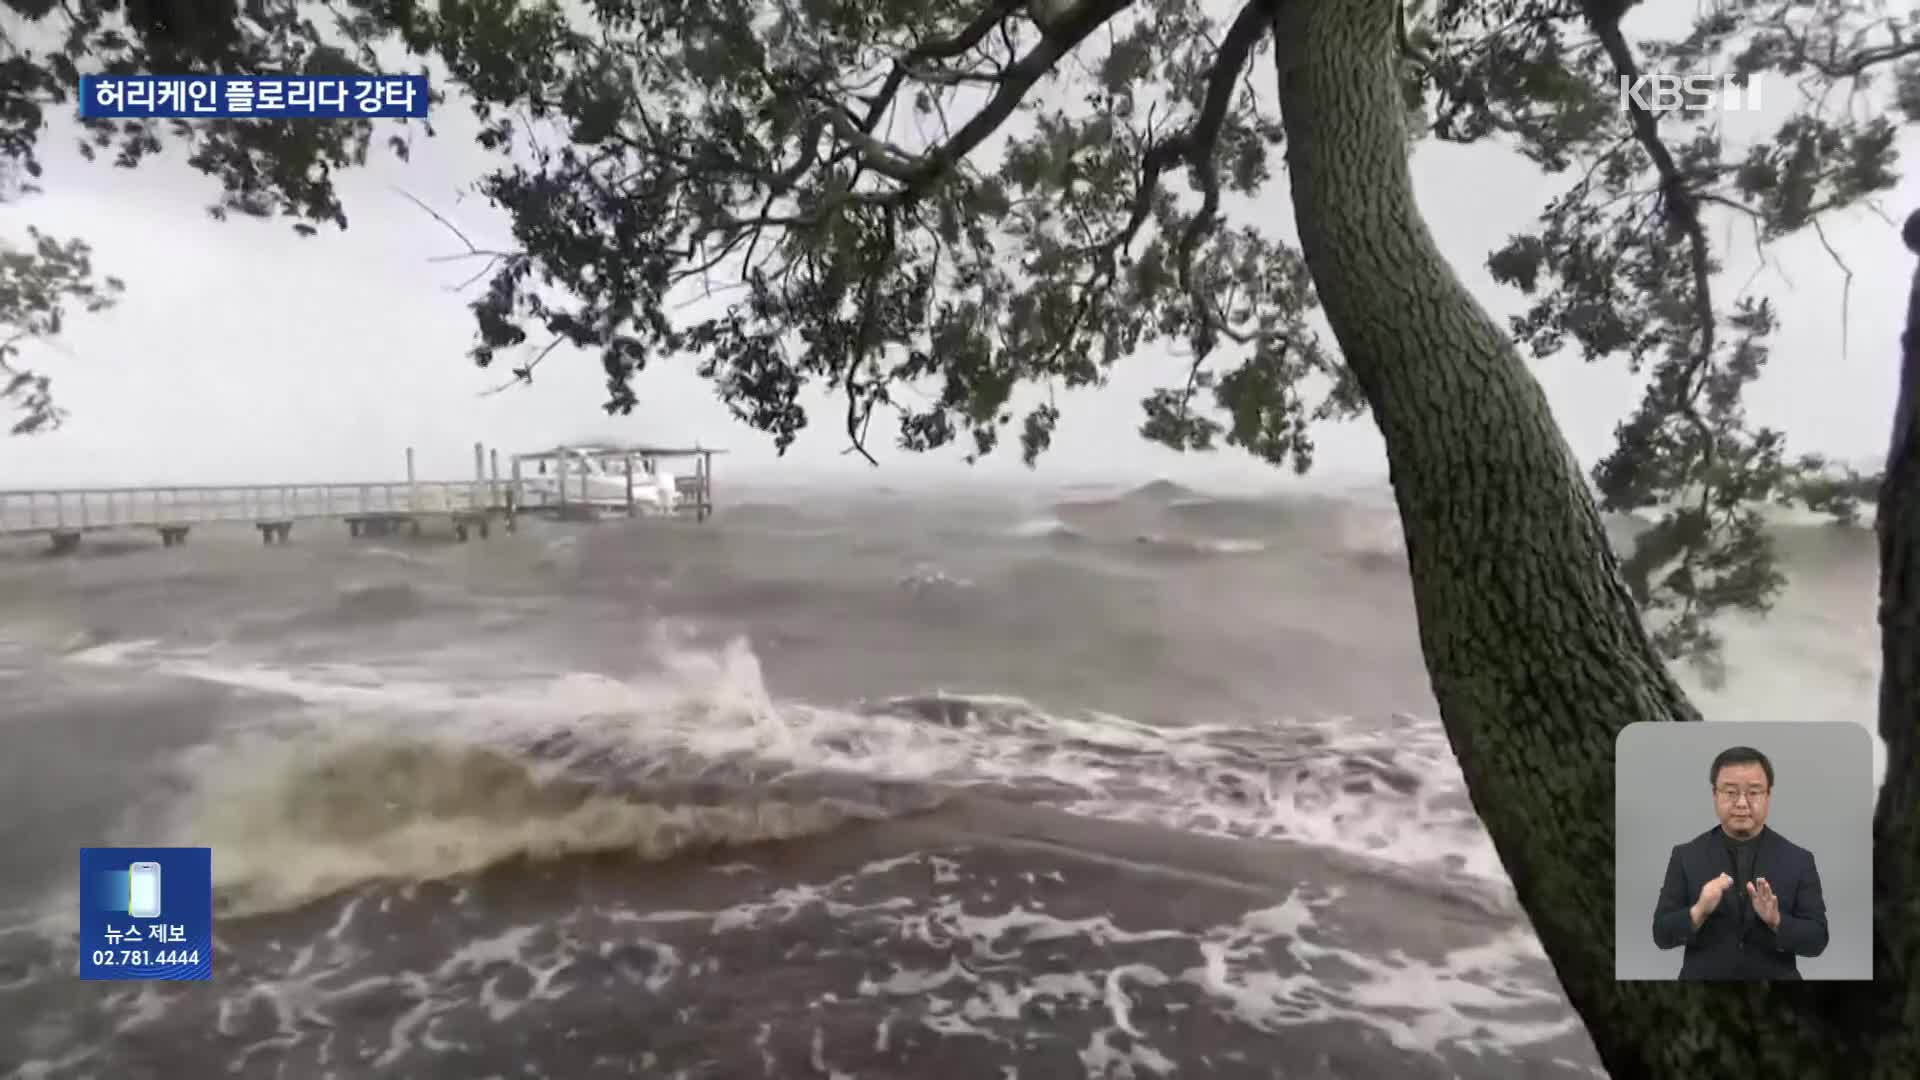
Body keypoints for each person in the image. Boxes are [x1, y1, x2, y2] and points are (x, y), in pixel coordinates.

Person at [1649, 746, 1829, 979]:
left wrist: (1776, 921)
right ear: (1715, 795)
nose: (1742, 803)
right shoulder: (1685, 856)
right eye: (1731, 792)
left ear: (1768, 796)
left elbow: (1818, 940)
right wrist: (1699, 911)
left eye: (1754, 792)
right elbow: (1661, 935)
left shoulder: (1799, 859)